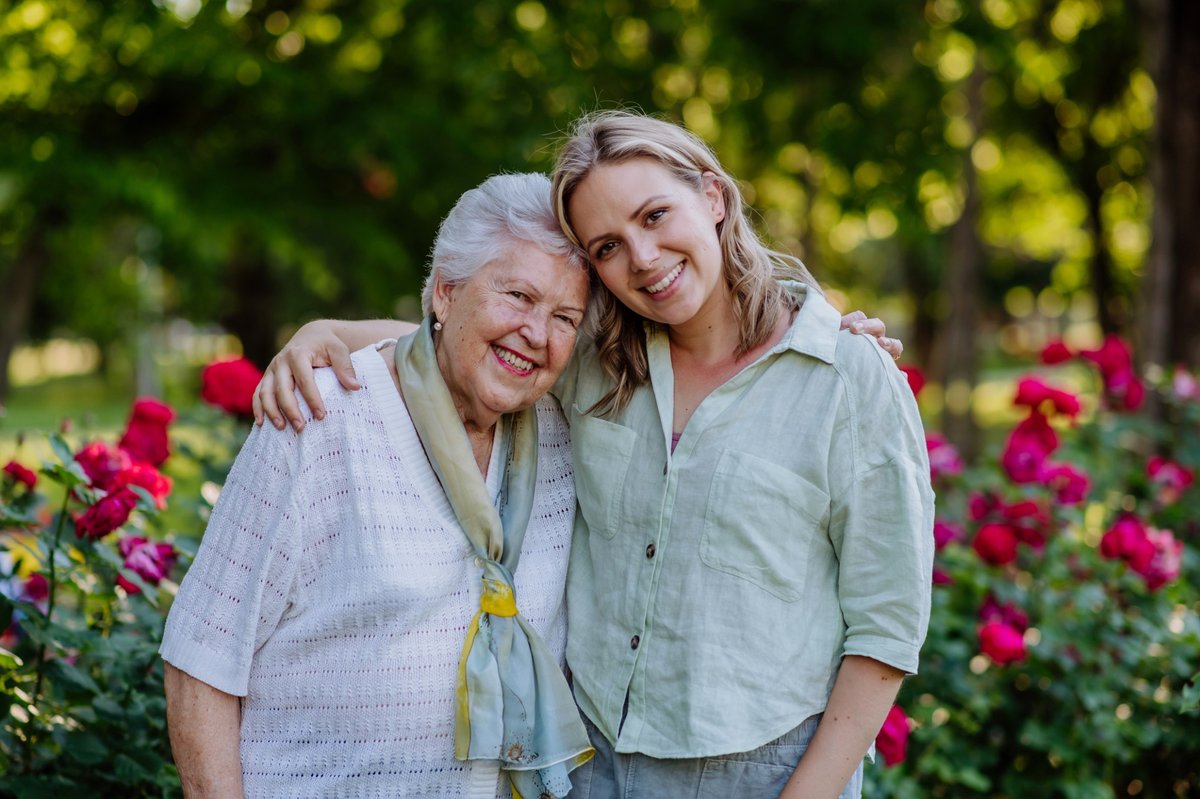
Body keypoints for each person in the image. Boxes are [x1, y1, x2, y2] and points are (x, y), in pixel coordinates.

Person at [256, 111, 932, 799]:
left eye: (656, 214)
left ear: (714, 198)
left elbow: (885, 630)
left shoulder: (847, 381)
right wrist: (324, 331)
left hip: (766, 772)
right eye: (607, 246)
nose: (642, 256)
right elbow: (463, 337)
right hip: (594, 763)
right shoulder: (595, 363)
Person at [160, 173, 595, 799]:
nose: (537, 332)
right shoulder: (320, 418)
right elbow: (202, 657)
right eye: (518, 295)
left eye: (564, 316)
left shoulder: (559, 436)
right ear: (444, 293)